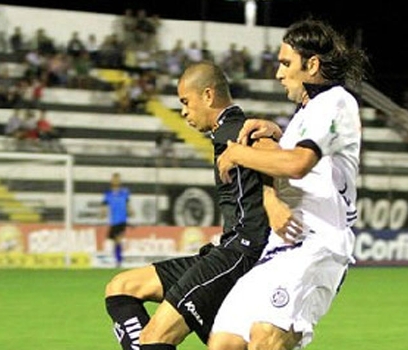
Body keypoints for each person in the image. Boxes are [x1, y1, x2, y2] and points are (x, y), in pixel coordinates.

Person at [104, 61, 291, 350]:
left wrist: (272, 198)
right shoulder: (227, 131)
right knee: (121, 289)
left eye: (185, 102)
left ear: (207, 95)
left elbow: (279, 158)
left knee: (155, 337)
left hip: (240, 253)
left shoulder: (236, 129)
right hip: (225, 249)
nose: (183, 112)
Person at [208, 17, 368, 350]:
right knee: (224, 342)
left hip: (316, 244)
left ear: (312, 65)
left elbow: (296, 164)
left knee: (267, 338)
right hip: (278, 249)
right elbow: (283, 166)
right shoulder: (303, 115)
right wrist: (269, 197)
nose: (279, 73)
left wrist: (238, 152)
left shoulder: (336, 102)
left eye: (285, 63)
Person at [101, 172, 133, 268]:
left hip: (122, 220)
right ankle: (117, 259)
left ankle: (119, 260)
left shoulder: (124, 192)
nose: (116, 180)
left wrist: (130, 211)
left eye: (118, 179)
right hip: (113, 221)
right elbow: (104, 206)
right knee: (115, 241)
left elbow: (127, 204)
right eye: (114, 179)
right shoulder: (108, 194)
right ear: (112, 180)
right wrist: (103, 213)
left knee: (118, 239)